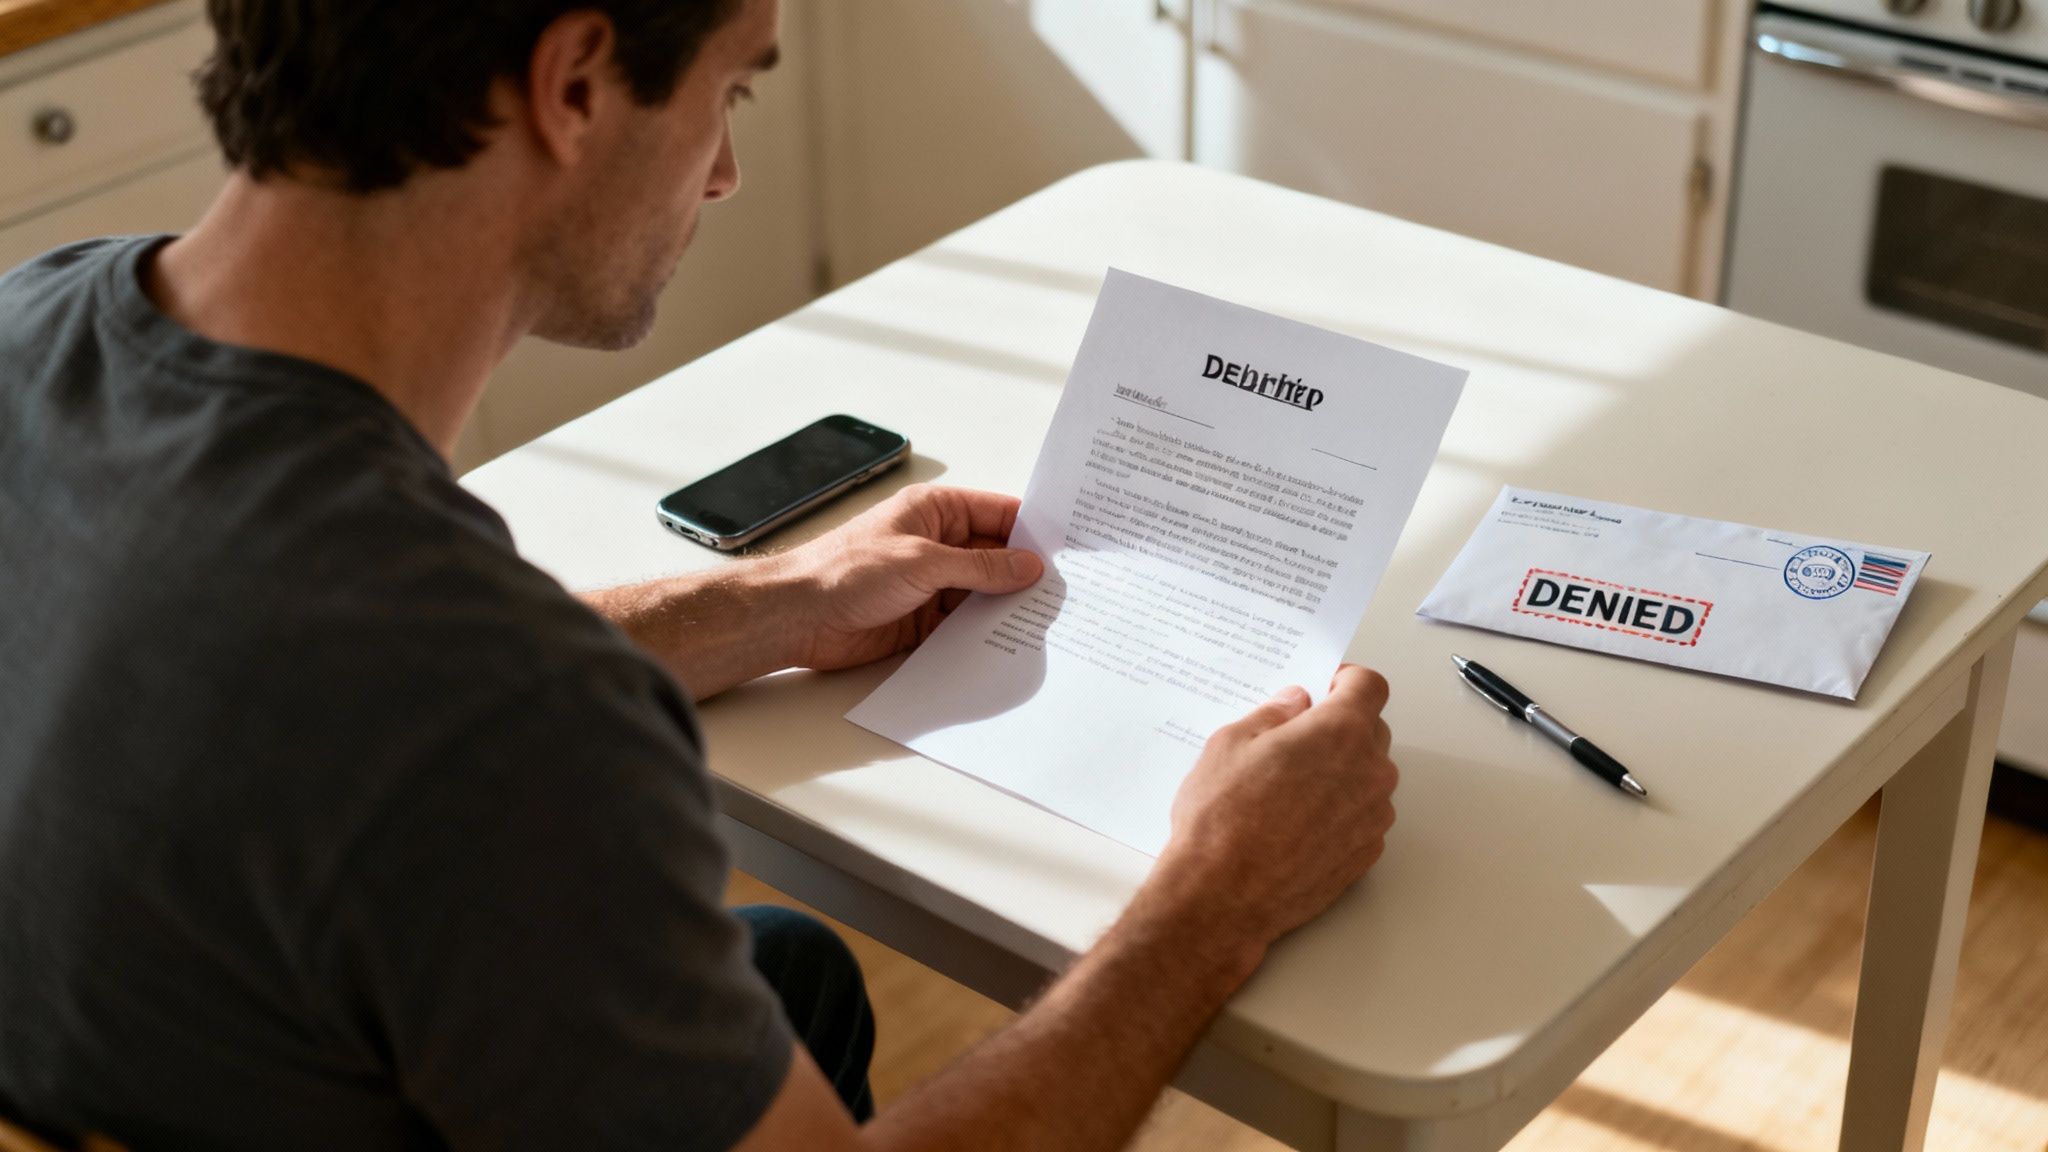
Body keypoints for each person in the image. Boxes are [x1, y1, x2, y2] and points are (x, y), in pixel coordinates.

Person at [0, 1, 1400, 1149]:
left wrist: (771, 605)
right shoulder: (494, 726)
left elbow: (293, 693)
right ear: (575, 83)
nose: (724, 172)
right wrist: (1214, 901)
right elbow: (455, 725)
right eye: (731, 89)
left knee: (788, 974)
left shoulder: (35, 324)